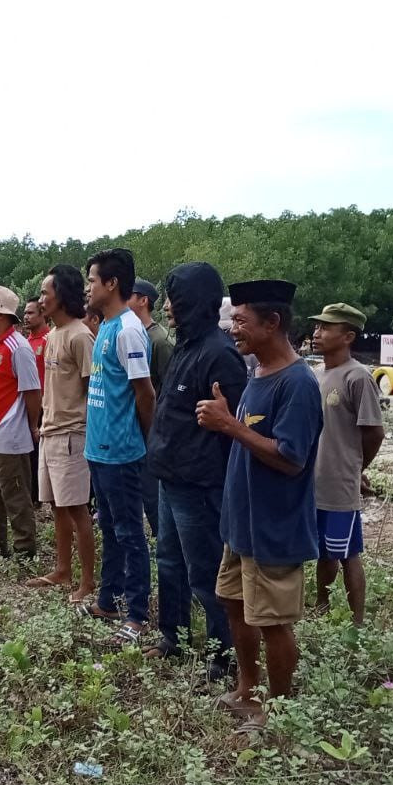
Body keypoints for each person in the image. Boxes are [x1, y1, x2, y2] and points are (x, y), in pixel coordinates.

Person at [196, 279, 323, 734]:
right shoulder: (258, 375)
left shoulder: (299, 384)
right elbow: (251, 436)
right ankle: (247, 691)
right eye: (233, 321)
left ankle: (279, 710)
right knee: (234, 604)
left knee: (273, 622)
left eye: (242, 321)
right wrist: (231, 419)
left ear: (273, 323)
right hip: (240, 524)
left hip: (275, 526)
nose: (234, 330)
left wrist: (230, 425)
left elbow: (290, 459)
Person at [144, 263, 248, 682]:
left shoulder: (219, 353)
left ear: (193, 302)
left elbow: (234, 425)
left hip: (200, 482)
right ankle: (174, 636)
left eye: (175, 298)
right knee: (168, 560)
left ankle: (222, 657)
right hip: (170, 477)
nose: (168, 306)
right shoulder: (185, 345)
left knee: (205, 571)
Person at [82, 249, 156, 644]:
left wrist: (146, 440)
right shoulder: (107, 327)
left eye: (92, 280)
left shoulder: (128, 329)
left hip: (122, 451)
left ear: (112, 284)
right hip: (99, 450)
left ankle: (138, 614)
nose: (88, 288)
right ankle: (107, 600)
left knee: (130, 534)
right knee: (109, 530)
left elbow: (144, 393)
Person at [309, 302, 385, 624]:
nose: (316, 333)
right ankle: (322, 605)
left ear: (348, 336)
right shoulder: (316, 375)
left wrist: (357, 469)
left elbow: (374, 433)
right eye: (317, 327)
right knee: (323, 551)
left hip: (340, 484)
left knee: (348, 553)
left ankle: (357, 621)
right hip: (313, 481)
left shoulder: (358, 377)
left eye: (326, 328)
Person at [27, 264, 97, 602]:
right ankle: (62, 570)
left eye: (45, 293)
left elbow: (91, 389)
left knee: (77, 508)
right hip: (50, 432)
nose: (41, 300)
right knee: (56, 506)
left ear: (63, 296)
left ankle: (87, 581)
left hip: (72, 434)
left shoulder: (81, 336)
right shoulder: (54, 334)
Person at [0, 286, 41, 557]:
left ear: (1, 313)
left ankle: (25, 549)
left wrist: (31, 425)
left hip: (8, 435)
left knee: (15, 496)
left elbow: (32, 391)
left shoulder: (18, 347)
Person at [129, 277, 175, 541]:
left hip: (151, 429)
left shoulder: (159, 340)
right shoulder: (131, 333)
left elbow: (165, 389)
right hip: (133, 428)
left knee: (152, 494)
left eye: (130, 295)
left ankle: (162, 542)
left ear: (143, 300)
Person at [22, 297, 49, 506]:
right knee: (29, 452)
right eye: (24, 313)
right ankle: (32, 495)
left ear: (42, 314)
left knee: (42, 452)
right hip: (27, 403)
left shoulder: (49, 339)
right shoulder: (25, 342)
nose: (26, 317)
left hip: (45, 404)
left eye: (31, 313)